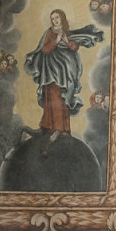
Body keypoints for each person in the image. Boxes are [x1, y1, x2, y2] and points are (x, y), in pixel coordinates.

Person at [24, 8, 103, 143]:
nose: (54, 20)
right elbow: (44, 49)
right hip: (50, 72)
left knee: (62, 99)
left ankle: (61, 129)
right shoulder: (49, 32)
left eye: (57, 17)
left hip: (64, 73)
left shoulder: (67, 33)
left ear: (62, 18)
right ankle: (48, 126)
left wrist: (65, 41)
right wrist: (56, 41)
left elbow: (74, 47)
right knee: (50, 97)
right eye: (52, 18)